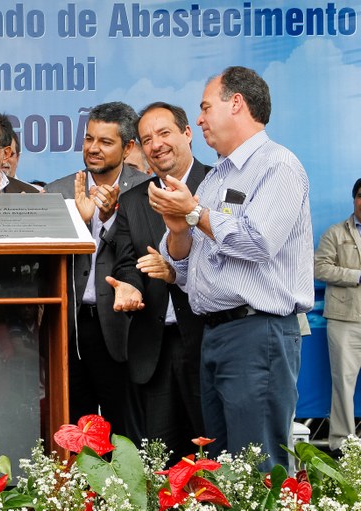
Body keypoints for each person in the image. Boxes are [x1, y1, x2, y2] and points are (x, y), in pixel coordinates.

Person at [151, 66, 313, 469]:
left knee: (259, 464)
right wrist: (178, 231)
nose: (200, 119)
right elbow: (187, 272)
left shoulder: (278, 165)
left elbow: (258, 241)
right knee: (226, 467)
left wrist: (194, 213)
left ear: (236, 103)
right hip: (215, 334)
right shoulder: (214, 179)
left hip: (258, 333)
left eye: (206, 108)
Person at [108, 102, 209, 461]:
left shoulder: (217, 184)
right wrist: (129, 285)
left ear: (186, 133)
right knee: (159, 459)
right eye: (147, 139)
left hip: (207, 339)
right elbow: (127, 261)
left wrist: (175, 272)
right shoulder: (134, 199)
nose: (156, 145)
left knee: (212, 454)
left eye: (164, 133)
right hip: (153, 344)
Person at [45, 102, 149, 432]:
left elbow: (145, 254)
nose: (93, 148)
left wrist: (108, 219)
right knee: (74, 431)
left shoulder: (146, 190)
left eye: (105, 142)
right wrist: (78, 224)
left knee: (126, 432)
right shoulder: (57, 191)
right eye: (89, 139)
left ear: (128, 147)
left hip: (125, 326)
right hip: (70, 327)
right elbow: (43, 263)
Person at [315, 178, 361, 455]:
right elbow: (320, 268)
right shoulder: (335, 233)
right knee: (343, 383)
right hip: (345, 320)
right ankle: (341, 446)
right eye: (360, 195)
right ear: (353, 199)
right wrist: (356, 276)